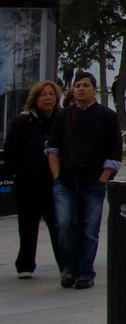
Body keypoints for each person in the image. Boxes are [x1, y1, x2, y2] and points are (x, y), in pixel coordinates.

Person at [45, 71, 123, 289]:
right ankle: (69, 268)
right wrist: (57, 176)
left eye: (85, 85)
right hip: (66, 182)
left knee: (89, 229)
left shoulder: (106, 116)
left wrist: (102, 178)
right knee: (65, 225)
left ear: (94, 90)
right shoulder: (63, 116)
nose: (80, 89)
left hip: (93, 183)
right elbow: (52, 148)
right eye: (77, 85)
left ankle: (85, 273)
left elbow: (115, 153)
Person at [5, 80, 64, 279]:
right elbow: (11, 152)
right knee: (28, 226)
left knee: (59, 226)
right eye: (43, 95)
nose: (47, 98)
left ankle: (65, 265)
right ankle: (25, 265)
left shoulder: (62, 120)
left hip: (55, 184)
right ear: (34, 98)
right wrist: (17, 174)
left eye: (51, 94)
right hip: (29, 184)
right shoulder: (22, 121)